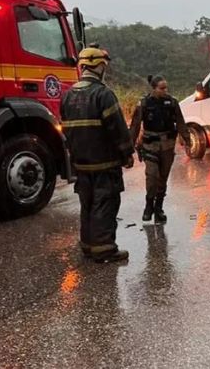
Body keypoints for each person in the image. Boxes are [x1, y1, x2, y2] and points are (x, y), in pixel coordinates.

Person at [61, 46, 135, 263]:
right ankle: (104, 249)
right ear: (98, 66)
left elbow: (66, 131)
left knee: (87, 204)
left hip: (81, 165)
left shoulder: (68, 97)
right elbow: (118, 129)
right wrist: (127, 153)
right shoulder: (103, 94)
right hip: (105, 163)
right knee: (105, 203)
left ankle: (87, 245)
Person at [129, 75, 191, 224]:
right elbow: (135, 126)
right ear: (154, 88)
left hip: (168, 146)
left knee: (162, 179)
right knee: (152, 177)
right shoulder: (144, 104)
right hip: (150, 146)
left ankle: (159, 209)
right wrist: (129, 147)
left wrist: (187, 139)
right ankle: (148, 205)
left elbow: (181, 122)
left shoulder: (172, 102)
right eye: (161, 88)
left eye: (166, 88)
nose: (165, 91)